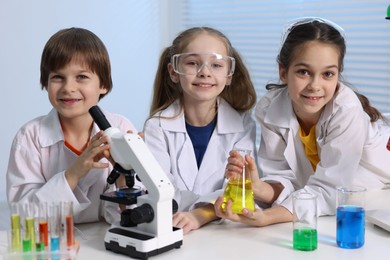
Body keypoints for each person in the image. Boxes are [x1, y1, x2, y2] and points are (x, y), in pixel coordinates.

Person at [214, 17, 390, 227]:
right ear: (283, 72)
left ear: (338, 75)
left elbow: (329, 190)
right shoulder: (270, 109)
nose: (315, 85)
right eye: (304, 72)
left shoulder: (346, 110)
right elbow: (290, 181)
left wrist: (268, 217)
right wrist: (258, 187)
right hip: (359, 195)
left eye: (328, 74)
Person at [6, 27, 138, 224]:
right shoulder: (30, 136)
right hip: (53, 245)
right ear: (45, 82)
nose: (68, 88)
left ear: (103, 85)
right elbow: (25, 218)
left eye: (82, 77)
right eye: (58, 77)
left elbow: (130, 215)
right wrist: (74, 173)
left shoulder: (120, 126)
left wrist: (124, 179)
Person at [143, 27, 257, 234]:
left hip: (226, 232)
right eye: (192, 63)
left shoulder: (244, 125)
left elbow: (238, 192)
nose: (205, 72)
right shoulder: (156, 127)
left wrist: (201, 214)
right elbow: (161, 191)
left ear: (229, 75)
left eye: (216, 65)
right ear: (173, 72)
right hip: (173, 229)